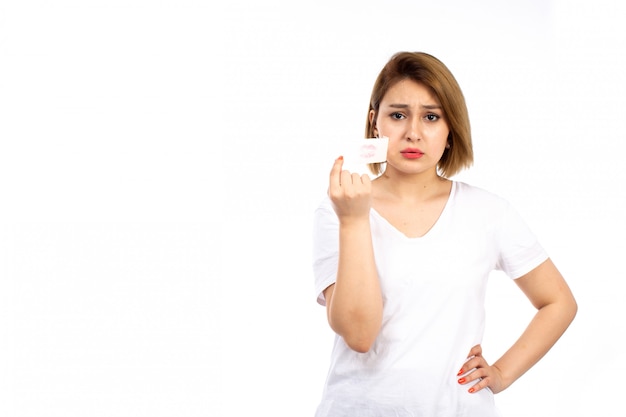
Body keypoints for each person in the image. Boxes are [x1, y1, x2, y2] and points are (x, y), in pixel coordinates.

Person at [311, 51, 577, 417]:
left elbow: (558, 302)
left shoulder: (489, 211)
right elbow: (358, 335)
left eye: (431, 117)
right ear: (376, 123)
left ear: (450, 127)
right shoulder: (338, 209)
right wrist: (355, 221)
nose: (413, 132)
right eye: (398, 115)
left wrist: (501, 373)